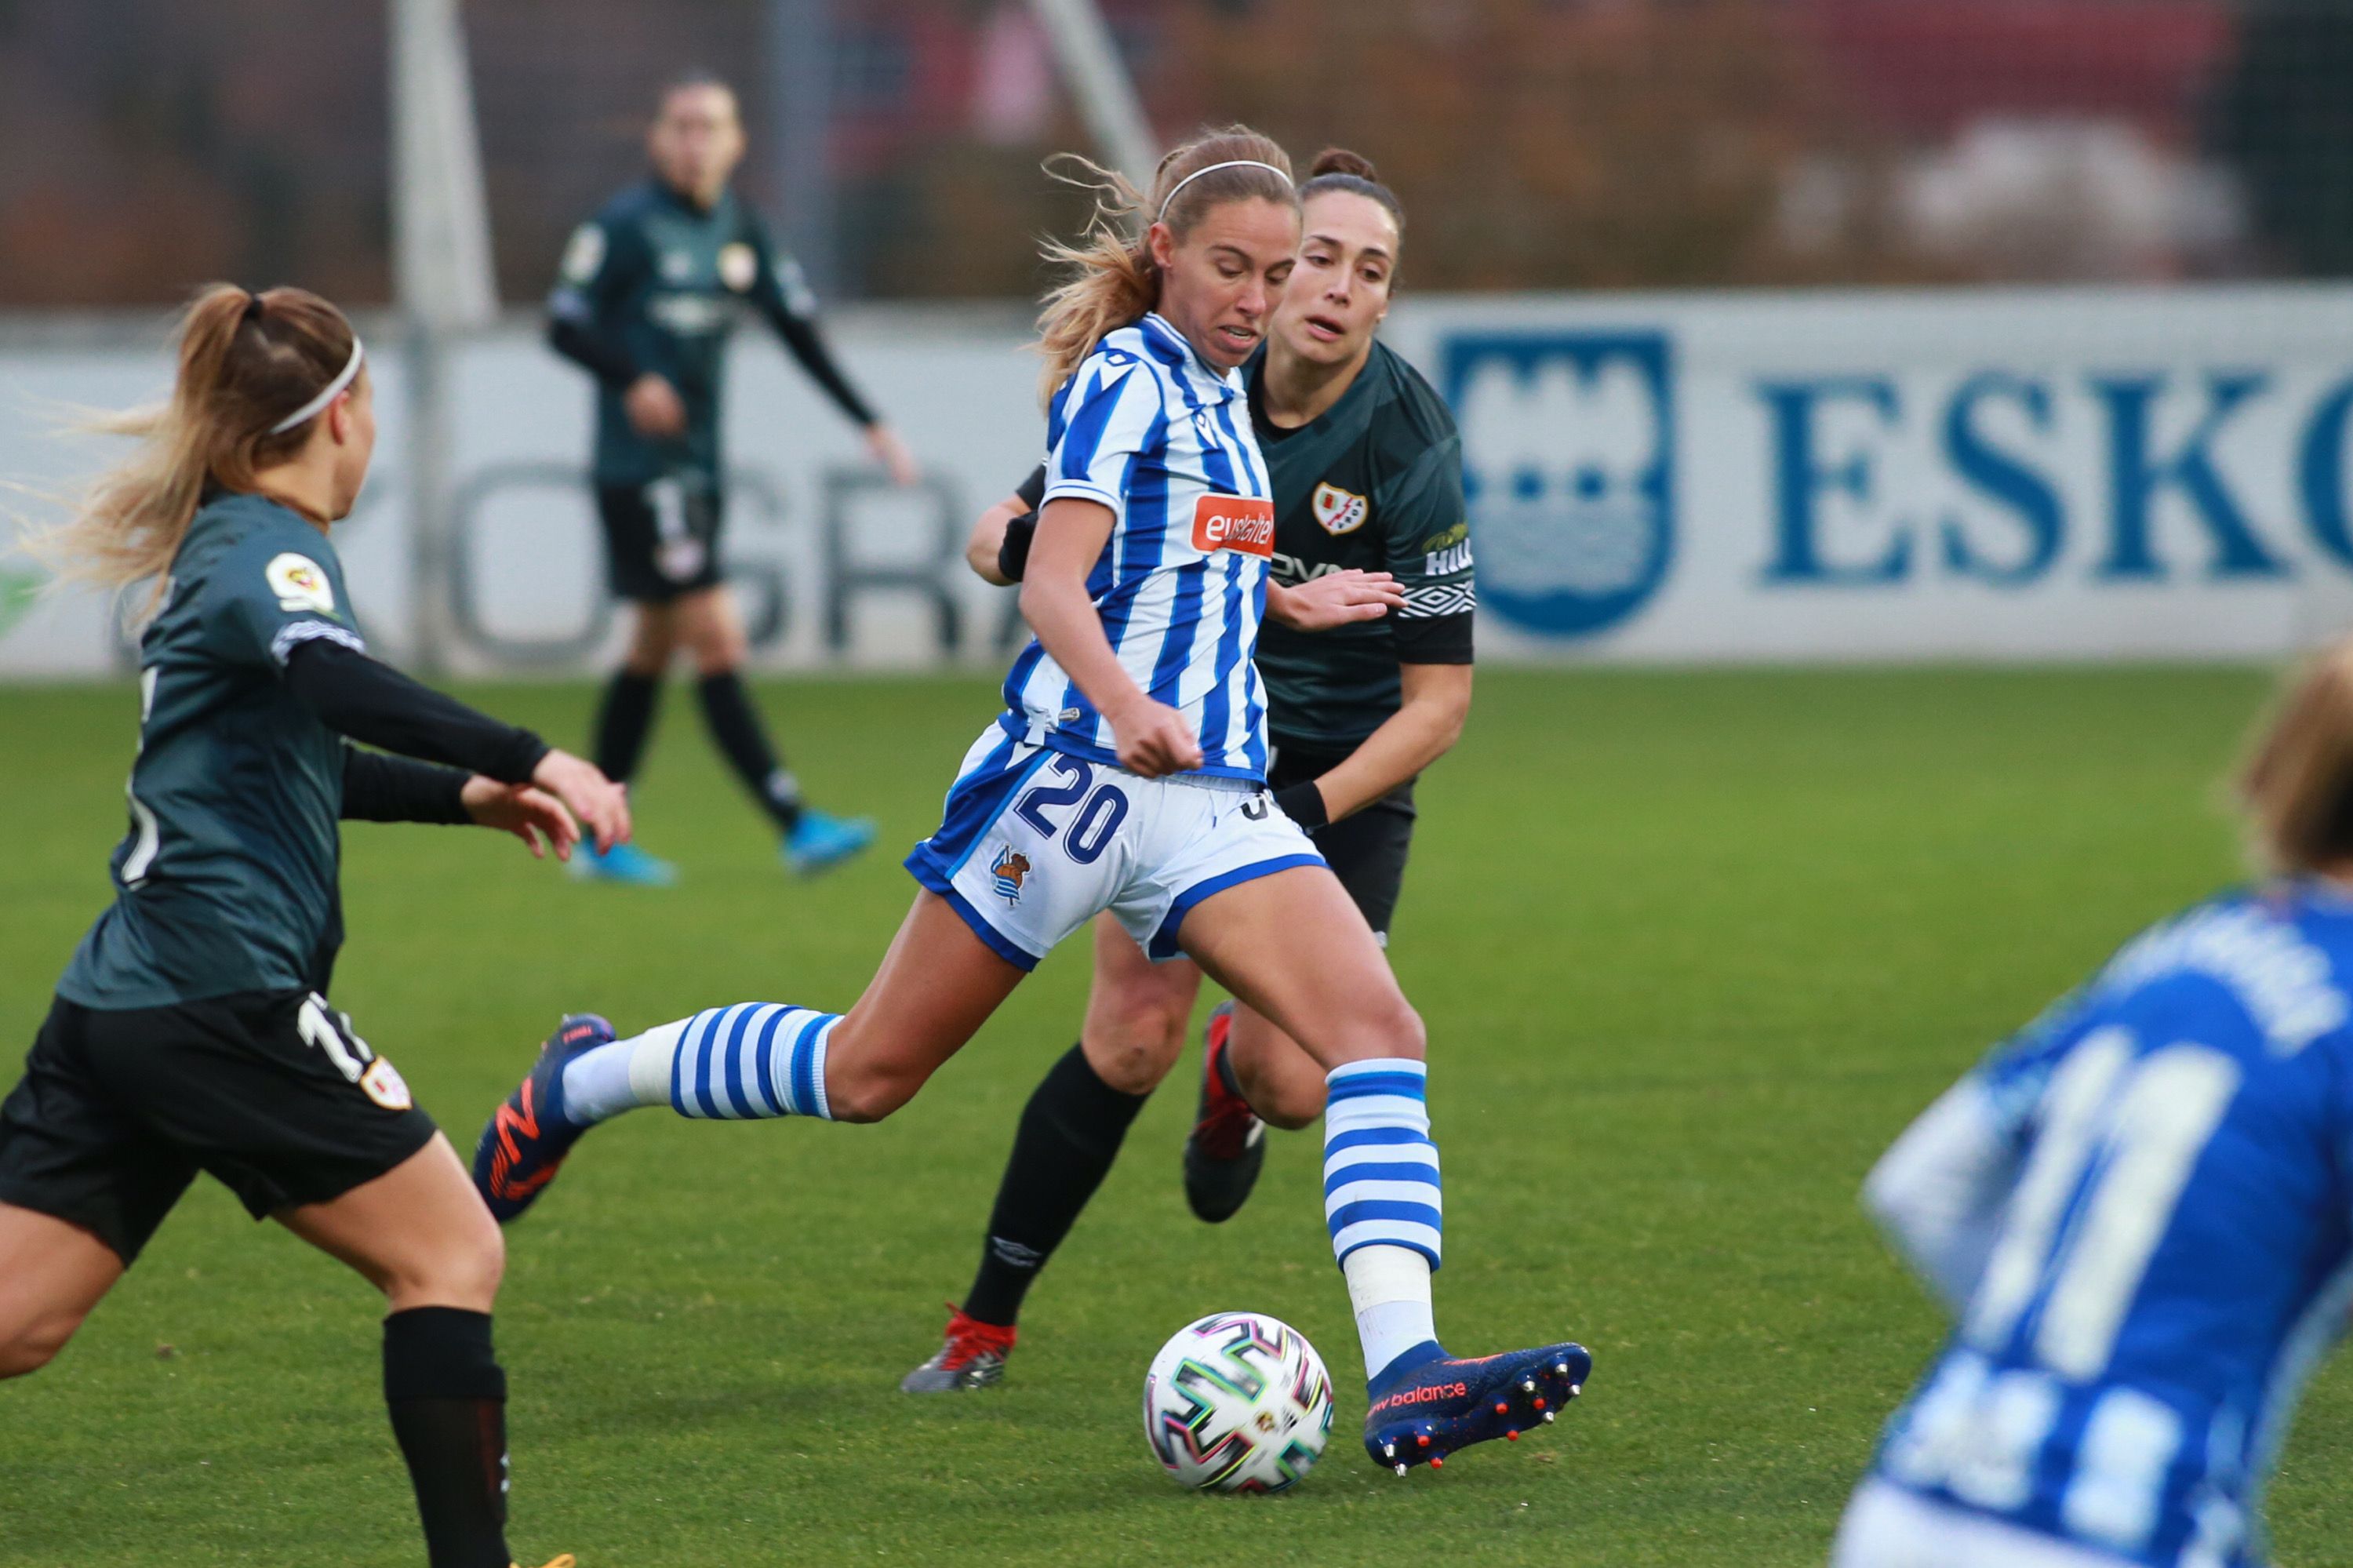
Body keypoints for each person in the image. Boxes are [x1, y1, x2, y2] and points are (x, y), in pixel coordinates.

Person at [476, 126, 1588, 1476]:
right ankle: (581, 1080)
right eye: (1235, 268)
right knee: (865, 1072)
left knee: (1373, 1030)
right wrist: (1127, 706)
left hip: (1207, 796)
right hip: (1073, 783)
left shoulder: (1231, 390)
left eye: (1278, 270)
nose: (1261, 295)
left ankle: (1408, 1370)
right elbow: (1053, 581)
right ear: (1169, 254)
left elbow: (1190, 556)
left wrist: (1283, 598)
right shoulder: (1125, 378)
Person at [0, 284, 624, 1568]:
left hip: (128, 999)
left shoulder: (222, 545)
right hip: (220, 996)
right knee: (453, 1248)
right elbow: (335, 680)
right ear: (341, 414)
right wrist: (535, 752)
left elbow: (290, 763)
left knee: (15, 1319)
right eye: (370, 405)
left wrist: (469, 794)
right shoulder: (265, 549)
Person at [902, 149, 1480, 1394]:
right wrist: (1032, 563)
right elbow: (1017, 538)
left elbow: (1440, 706)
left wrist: (1302, 810)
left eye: (1362, 271)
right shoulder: (1172, 376)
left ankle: (1242, 1087)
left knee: (1294, 1078)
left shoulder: (1409, 438)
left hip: (1335, 775)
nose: (1322, 288)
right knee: (1126, 1037)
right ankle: (983, 1322)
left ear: (1385, 300)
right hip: (1175, 755)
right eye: (1312, 257)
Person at [1835, 638, 2353, 1567]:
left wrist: (2075, 1355)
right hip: (2128, 1532)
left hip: (1916, 1493)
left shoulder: (2186, 946)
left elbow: (1921, 1183)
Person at [547, 71, 919, 886]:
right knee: (715, 635)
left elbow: (799, 330)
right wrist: (631, 378)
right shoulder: (626, 227)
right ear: (657, 138)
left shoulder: (740, 230)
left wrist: (870, 421)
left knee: (650, 648)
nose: (694, 142)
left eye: (709, 127)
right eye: (680, 126)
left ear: (736, 141)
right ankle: (793, 820)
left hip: (697, 470)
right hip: (642, 472)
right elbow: (564, 322)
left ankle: (598, 832)